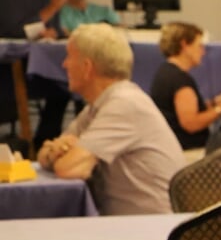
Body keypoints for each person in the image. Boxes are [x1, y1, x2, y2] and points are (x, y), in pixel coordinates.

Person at [34, 23, 185, 215]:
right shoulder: (99, 105)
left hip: (149, 230)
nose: (64, 64)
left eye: (69, 57)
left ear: (87, 67)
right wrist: (57, 151)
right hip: (129, 225)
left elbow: (69, 169)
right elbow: (45, 155)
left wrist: (66, 152)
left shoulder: (124, 104)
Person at [0, 0, 70, 147]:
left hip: (43, 65)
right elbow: (10, 31)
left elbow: (53, 29)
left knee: (68, 86)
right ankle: (36, 144)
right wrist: (53, 8)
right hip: (12, 70)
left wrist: (53, 33)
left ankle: (45, 141)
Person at [151, 21, 221, 152]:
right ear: (185, 45)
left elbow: (179, 112)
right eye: (199, 46)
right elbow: (190, 123)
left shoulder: (165, 73)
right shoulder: (179, 80)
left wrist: (213, 103)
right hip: (190, 151)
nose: (203, 52)